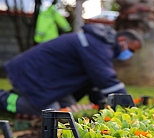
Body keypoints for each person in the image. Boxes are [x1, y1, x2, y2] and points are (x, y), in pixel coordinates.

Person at [0, 23, 142, 115]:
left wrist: (100, 105)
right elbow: (106, 79)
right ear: (122, 40)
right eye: (130, 50)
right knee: (51, 112)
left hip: (48, 79)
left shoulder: (99, 45)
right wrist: (127, 108)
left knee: (69, 111)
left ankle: (23, 97)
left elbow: (95, 82)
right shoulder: (96, 45)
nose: (129, 55)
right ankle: (5, 100)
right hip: (30, 73)